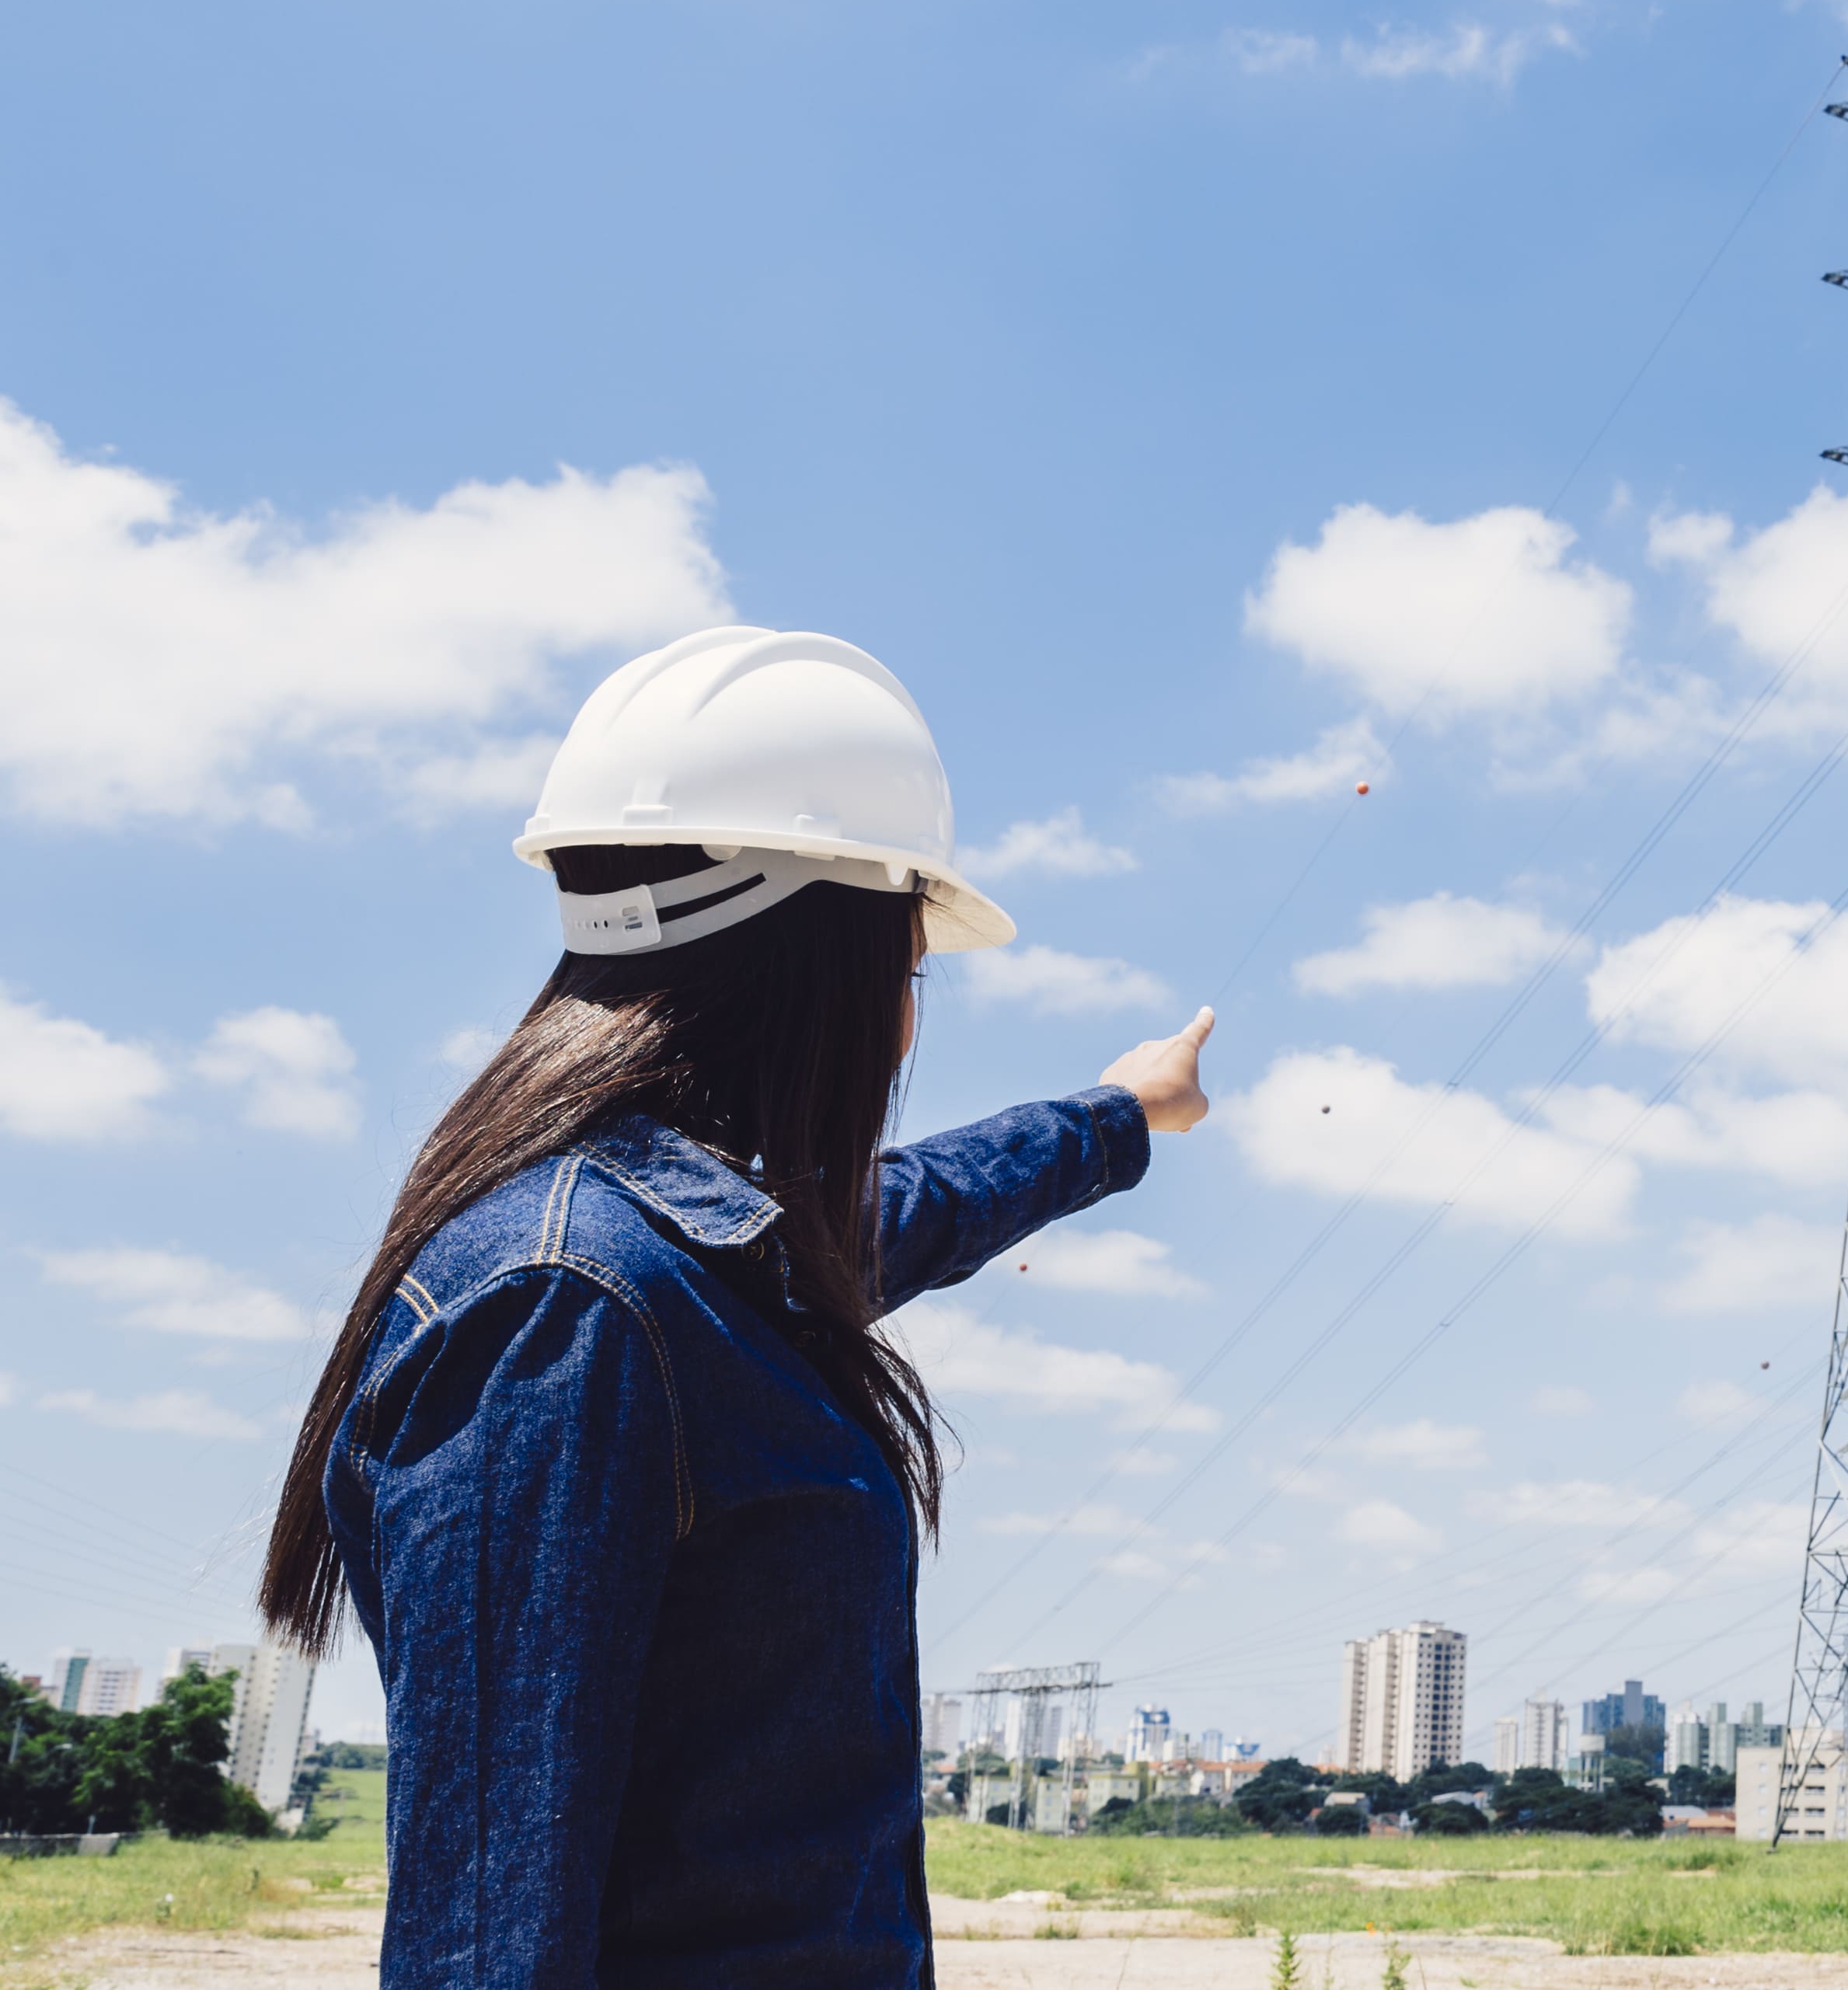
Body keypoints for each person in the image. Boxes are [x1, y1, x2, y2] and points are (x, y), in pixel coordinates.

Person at [260, 626, 1214, 1987]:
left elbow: (910, 1209)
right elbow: (488, 1947)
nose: (903, 1021)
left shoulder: (697, 1264)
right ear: (813, 968)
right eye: (908, 971)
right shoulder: (569, 1309)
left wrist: (1119, 1116)